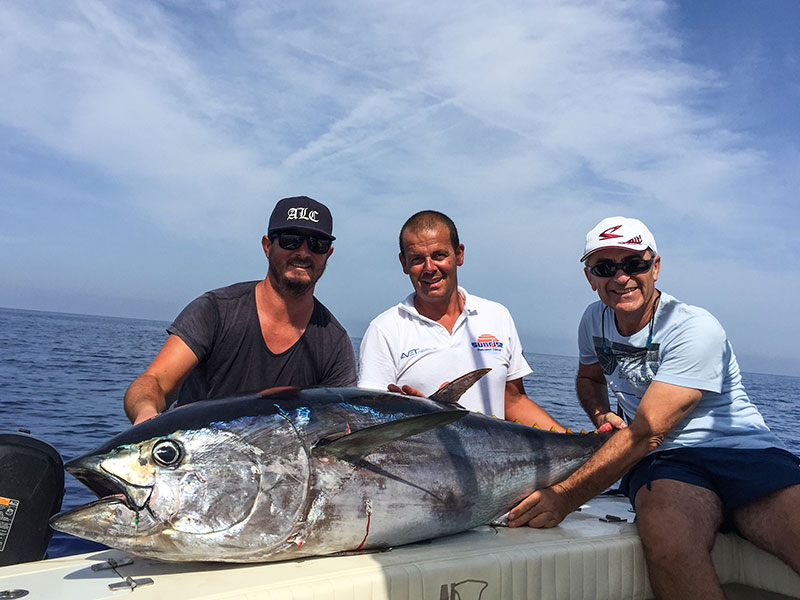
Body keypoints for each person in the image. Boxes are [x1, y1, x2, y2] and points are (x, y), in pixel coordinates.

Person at [507, 216, 800, 599]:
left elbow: (648, 430)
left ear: (655, 266)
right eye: (605, 267)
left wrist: (564, 497)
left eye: (634, 264)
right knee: (668, 536)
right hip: (668, 462)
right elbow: (589, 379)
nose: (620, 277)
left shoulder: (693, 327)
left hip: (745, 451)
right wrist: (599, 414)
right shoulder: (593, 320)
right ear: (589, 276)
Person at [124, 196, 357, 425]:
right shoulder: (215, 311)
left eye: (317, 244)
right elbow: (152, 381)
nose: (304, 253)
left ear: (328, 254)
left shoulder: (335, 343)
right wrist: (147, 415)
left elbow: (340, 424)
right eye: (290, 240)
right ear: (267, 246)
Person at [358, 210, 563, 430]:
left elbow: (513, 401)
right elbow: (371, 422)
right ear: (404, 263)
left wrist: (579, 443)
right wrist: (414, 413)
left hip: (500, 463)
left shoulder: (497, 316)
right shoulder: (385, 330)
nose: (429, 268)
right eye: (417, 259)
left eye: (439, 255)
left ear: (459, 254)